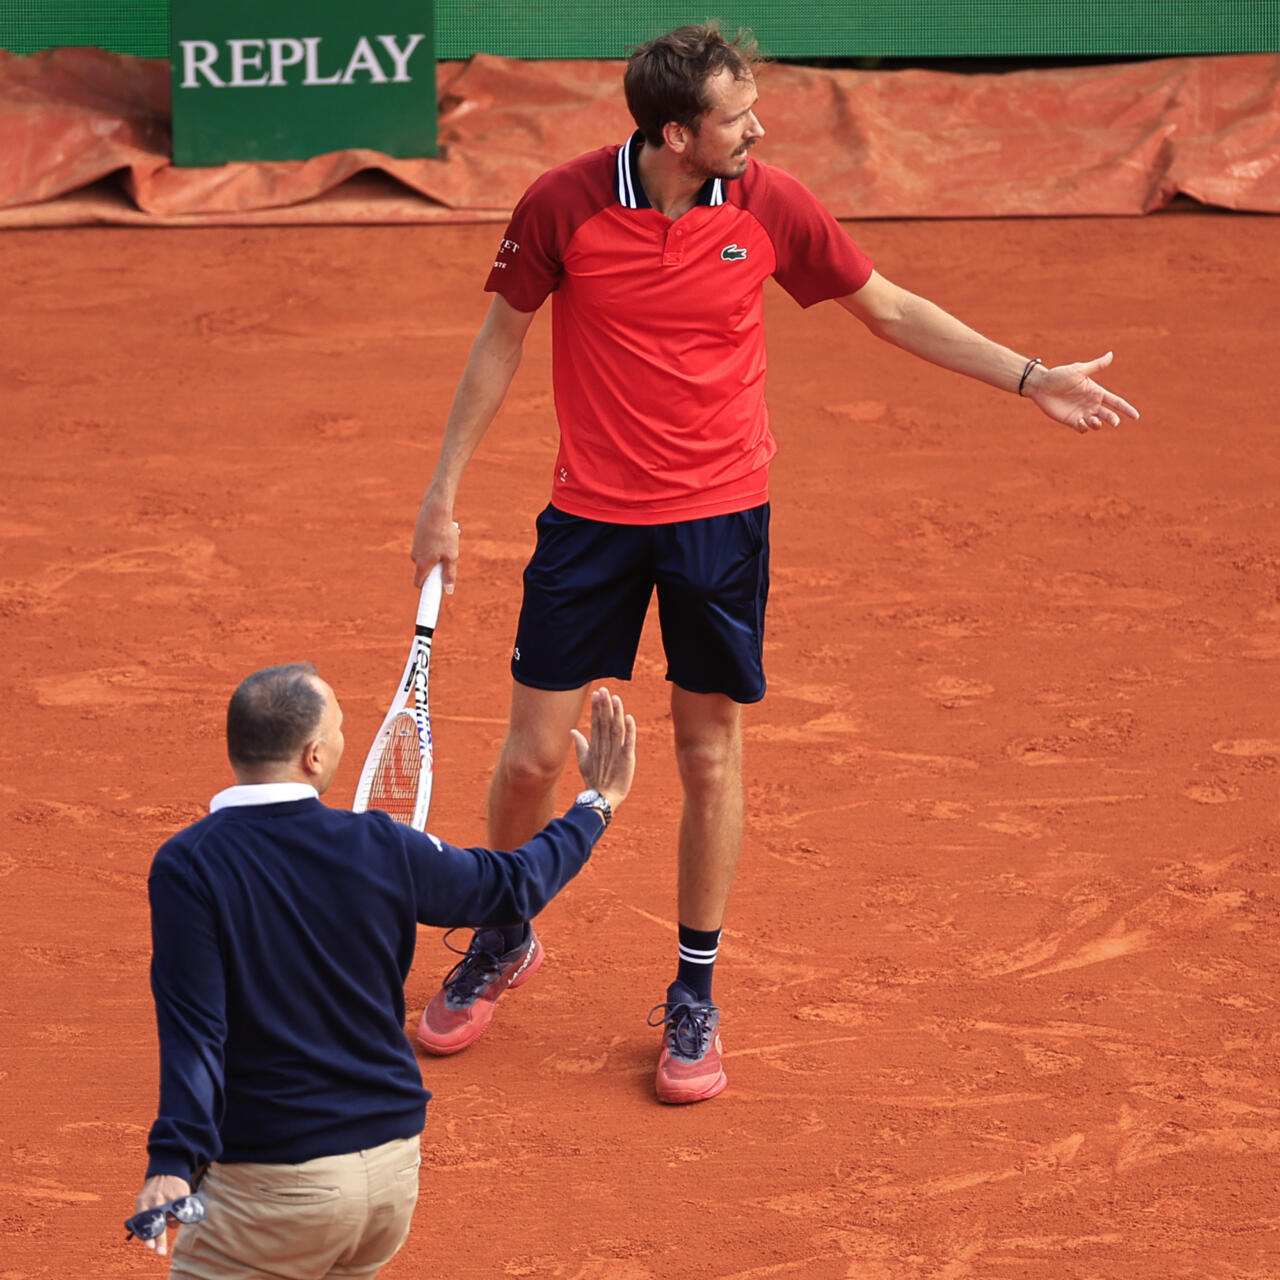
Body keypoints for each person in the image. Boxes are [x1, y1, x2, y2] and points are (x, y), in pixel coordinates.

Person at [409, 23, 1139, 1105]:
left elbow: (887, 309)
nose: (757, 127)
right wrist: (441, 494)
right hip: (590, 522)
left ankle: (694, 988)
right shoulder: (561, 205)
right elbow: (500, 341)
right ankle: (505, 930)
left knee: (707, 753)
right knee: (527, 758)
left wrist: (1028, 376)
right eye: (735, 115)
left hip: (719, 522)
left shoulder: (770, 205)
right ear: (672, 131)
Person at [130, 663, 635, 1276]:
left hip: (278, 1190)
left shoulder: (188, 865)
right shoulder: (382, 844)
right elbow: (516, 885)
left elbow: (196, 1030)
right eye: (341, 729)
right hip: (390, 1178)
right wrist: (596, 803)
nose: (349, 741)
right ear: (313, 756)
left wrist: (171, 1163)